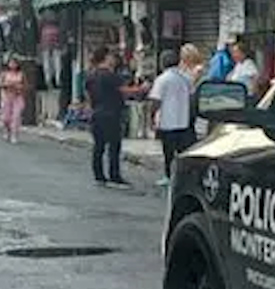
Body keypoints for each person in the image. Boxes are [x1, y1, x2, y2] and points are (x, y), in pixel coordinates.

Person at [84, 47, 137, 188]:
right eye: (111, 56)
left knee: (98, 147)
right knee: (114, 146)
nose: (114, 59)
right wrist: (142, 88)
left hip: (97, 113)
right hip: (111, 113)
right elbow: (124, 90)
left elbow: (88, 96)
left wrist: (90, 110)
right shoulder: (109, 75)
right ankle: (114, 176)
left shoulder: (91, 75)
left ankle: (99, 176)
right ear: (106, 58)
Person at [148, 48, 200, 187]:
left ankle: (168, 176)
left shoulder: (162, 79)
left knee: (169, 153)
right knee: (184, 152)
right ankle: (187, 177)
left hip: (167, 122)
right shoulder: (186, 78)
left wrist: (152, 116)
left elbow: (156, 101)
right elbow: (192, 97)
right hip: (184, 122)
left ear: (162, 63)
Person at [0, 57, 27, 143]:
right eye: (11, 63)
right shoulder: (4, 74)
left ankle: (14, 134)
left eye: (15, 63)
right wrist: (6, 85)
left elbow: (25, 85)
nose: (13, 65)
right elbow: (0, 84)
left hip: (17, 97)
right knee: (6, 118)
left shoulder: (21, 74)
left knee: (16, 116)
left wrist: (19, 87)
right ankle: (7, 131)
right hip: (7, 97)